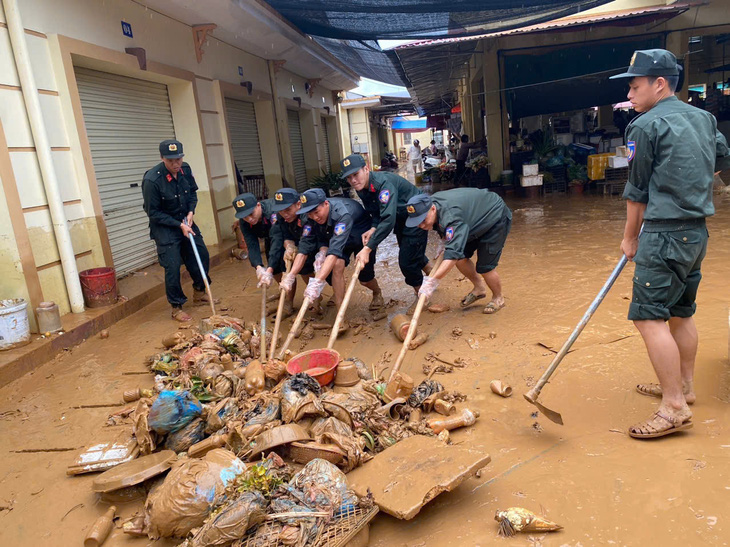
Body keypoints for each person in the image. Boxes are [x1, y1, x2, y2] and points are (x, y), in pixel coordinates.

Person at [609, 49, 730, 439]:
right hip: (696, 232)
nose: (630, 93)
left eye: (635, 85)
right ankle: (686, 387)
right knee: (681, 310)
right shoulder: (705, 118)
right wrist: (688, 185)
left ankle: (674, 405)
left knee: (648, 316)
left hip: (662, 234)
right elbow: (720, 158)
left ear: (659, 83)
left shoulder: (644, 127)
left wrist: (630, 238)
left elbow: (637, 191)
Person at [340, 154, 430, 311]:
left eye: (356, 174)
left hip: (417, 215)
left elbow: (388, 220)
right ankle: (433, 278)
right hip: (402, 217)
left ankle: (424, 296)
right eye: (349, 178)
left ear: (366, 169)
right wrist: (374, 227)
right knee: (413, 252)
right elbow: (376, 212)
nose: (353, 180)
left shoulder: (383, 184)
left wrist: (368, 249)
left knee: (407, 262)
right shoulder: (363, 188)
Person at [142, 139, 217, 322]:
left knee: (201, 254)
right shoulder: (152, 180)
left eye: (178, 159)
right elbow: (152, 212)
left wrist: (191, 212)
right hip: (165, 227)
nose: (175, 164)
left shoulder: (186, 170)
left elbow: (192, 193)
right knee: (173, 265)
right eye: (170, 161)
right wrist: (178, 225)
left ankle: (199, 292)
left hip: (186, 219)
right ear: (162, 158)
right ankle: (176, 306)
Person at [405, 189, 512, 314]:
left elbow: (452, 256)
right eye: (417, 222)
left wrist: (432, 281)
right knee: (461, 258)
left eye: (423, 220)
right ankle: (479, 288)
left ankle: (498, 298)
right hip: (470, 221)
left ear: (433, 209)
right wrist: (444, 240)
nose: (422, 226)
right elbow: (446, 230)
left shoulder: (451, 217)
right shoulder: (431, 205)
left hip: (494, 217)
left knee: (485, 267)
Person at [282, 188, 382, 315]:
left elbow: (334, 251)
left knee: (365, 279)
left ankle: (377, 292)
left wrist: (316, 283)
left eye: (316, 212)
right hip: (337, 238)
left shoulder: (342, 214)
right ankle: (341, 314)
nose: (314, 217)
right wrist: (290, 276)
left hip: (360, 238)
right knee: (336, 265)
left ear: (326, 204)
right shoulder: (310, 217)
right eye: (310, 214)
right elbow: (304, 246)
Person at [267, 187, 316, 316]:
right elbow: (281, 235)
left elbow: (307, 242)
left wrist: (299, 252)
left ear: (298, 205)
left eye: (288, 210)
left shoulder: (307, 216)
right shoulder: (281, 216)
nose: (285, 214)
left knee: (306, 268)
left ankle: (316, 297)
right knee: (286, 268)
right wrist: (288, 245)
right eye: (281, 211)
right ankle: (288, 303)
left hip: (312, 242)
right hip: (295, 242)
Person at [232, 192, 283, 293]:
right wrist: (258, 267)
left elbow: (277, 240)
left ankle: (289, 300)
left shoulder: (272, 212)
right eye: (245, 217)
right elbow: (251, 244)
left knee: (285, 265)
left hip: (284, 235)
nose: (249, 219)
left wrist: (269, 270)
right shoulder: (244, 222)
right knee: (275, 266)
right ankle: (283, 293)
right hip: (269, 237)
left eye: (251, 214)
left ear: (258, 205)